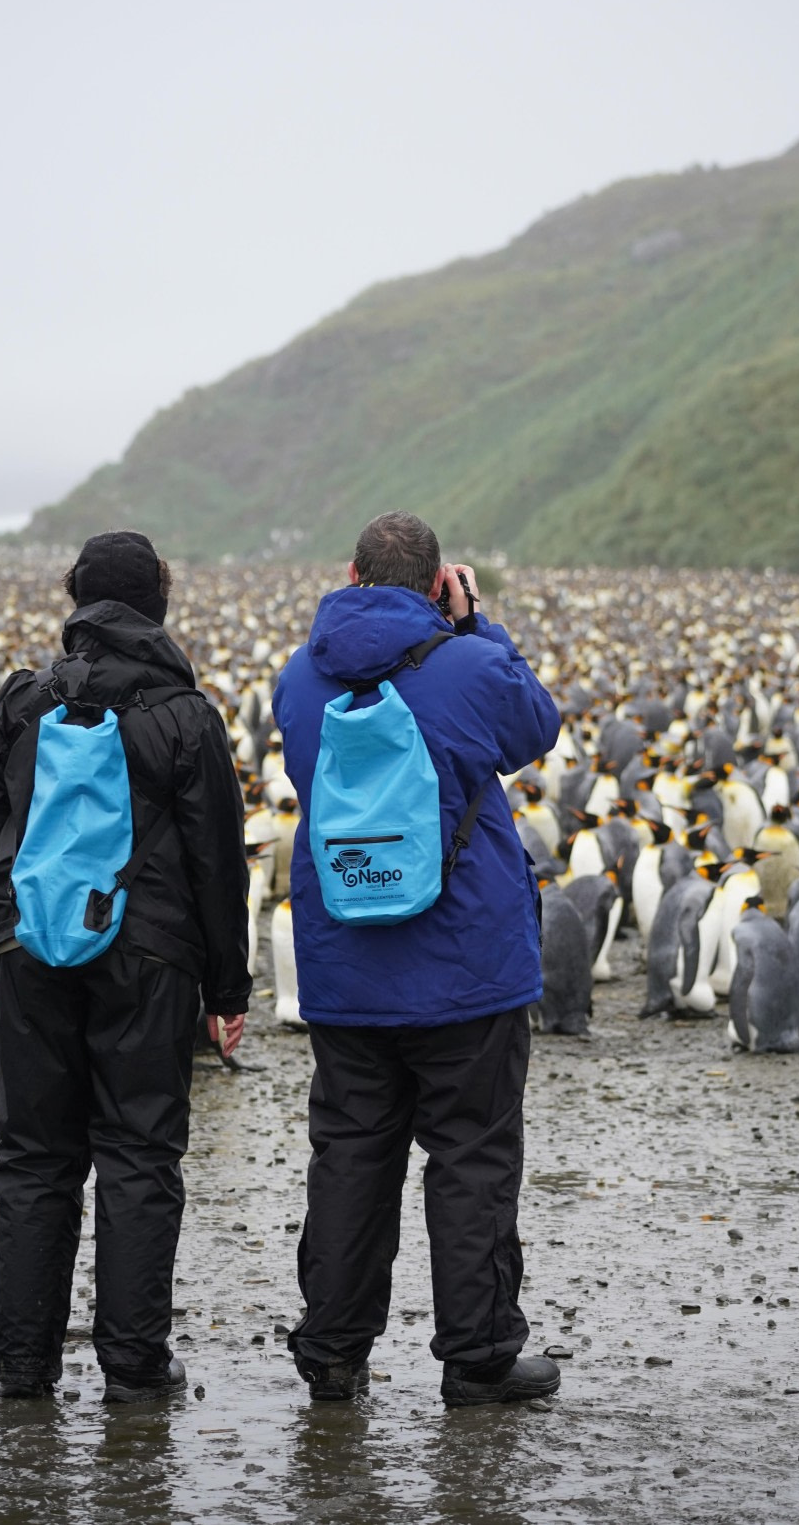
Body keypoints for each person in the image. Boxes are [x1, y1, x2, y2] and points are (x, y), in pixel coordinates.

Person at [272, 510, 562, 1405]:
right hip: (467, 965)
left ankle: (332, 1353)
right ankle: (477, 1360)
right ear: (438, 581)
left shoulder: (300, 678)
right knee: (472, 1158)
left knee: (351, 1156)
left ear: (351, 573)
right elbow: (536, 726)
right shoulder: (471, 664)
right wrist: (476, 624)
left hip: (347, 964)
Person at [0, 530, 250, 1404]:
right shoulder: (185, 716)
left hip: (32, 949)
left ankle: (23, 1365)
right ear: (158, 605)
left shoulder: (23, 703)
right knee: (137, 1156)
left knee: (34, 1158)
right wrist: (227, 989)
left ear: (76, 600)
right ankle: (133, 1366)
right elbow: (218, 862)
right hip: (149, 957)